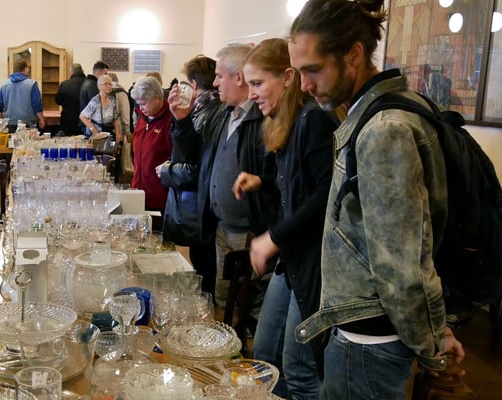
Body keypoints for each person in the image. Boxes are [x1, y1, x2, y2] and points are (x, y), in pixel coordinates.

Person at [288, 1, 465, 399]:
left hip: (369, 342)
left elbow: (402, 263)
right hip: (368, 333)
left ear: (353, 54)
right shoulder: (384, 111)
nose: (304, 85)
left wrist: (432, 345)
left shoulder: (384, 130)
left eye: (313, 69)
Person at [232, 38, 338, 399]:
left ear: (288, 77)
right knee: (264, 354)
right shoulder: (286, 122)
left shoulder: (313, 120)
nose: (251, 94)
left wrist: (273, 237)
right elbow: (297, 187)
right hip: (291, 259)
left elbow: (325, 197)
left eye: (258, 83)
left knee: (299, 371)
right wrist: (262, 182)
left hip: (311, 265)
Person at [175, 44, 269, 311]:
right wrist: (182, 122)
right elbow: (194, 156)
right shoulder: (223, 113)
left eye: (219, 76)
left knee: (249, 304)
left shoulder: (263, 118)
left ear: (238, 77)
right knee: (223, 298)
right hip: (221, 226)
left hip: (249, 231)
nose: (215, 83)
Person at [157, 54, 220, 301]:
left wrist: (167, 171)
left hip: (198, 205)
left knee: (205, 273)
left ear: (193, 84)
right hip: (199, 203)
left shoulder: (207, 112)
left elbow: (195, 168)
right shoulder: (205, 109)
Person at [130, 76, 173, 230]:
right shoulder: (143, 118)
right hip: (138, 193)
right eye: (138, 104)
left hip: (160, 197)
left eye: (143, 103)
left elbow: (176, 158)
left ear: (156, 99)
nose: (140, 108)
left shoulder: (171, 120)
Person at [0, 59, 45, 132]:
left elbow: (0, 103)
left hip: (9, 122)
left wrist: (1, 117)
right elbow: (37, 104)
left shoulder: (5, 85)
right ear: (26, 69)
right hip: (28, 122)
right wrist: (41, 119)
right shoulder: (32, 84)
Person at [79, 74, 123, 142]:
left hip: (108, 132)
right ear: (99, 86)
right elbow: (82, 116)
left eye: (110, 84)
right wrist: (93, 129)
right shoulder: (95, 101)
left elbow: (115, 118)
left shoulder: (112, 100)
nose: (109, 86)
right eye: (105, 84)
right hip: (96, 134)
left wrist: (118, 132)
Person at [56, 63, 86, 135]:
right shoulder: (89, 83)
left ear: (71, 72)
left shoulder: (64, 84)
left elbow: (58, 101)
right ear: (82, 70)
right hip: (85, 122)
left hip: (68, 121)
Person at [108, 72, 132, 136]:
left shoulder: (104, 92)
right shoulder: (121, 93)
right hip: (119, 128)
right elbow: (125, 112)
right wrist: (127, 130)